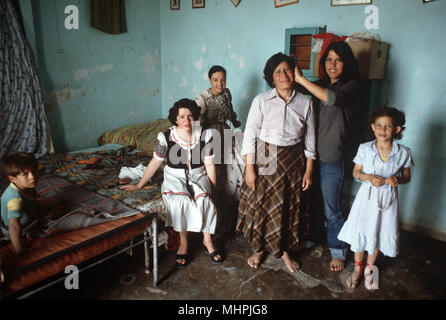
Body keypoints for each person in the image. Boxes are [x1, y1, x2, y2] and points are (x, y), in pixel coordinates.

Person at [236, 53, 316, 273]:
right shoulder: (261, 101)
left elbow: (310, 142)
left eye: (287, 69)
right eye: (278, 71)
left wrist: (309, 171)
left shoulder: (306, 102)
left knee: (289, 207)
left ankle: (286, 251)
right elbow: (250, 137)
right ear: (271, 78)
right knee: (263, 205)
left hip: (293, 160)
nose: (283, 75)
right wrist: (250, 169)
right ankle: (260, 248)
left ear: (295, 73)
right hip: (264, 159)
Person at [120, 98, 224, 267]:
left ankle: (208, 241)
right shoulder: (167, 137)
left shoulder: (206, 135)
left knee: (205, 199)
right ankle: (184, 243)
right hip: (175, 177)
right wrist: (139, 184)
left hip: (199, 175)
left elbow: (210, 164)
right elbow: (155, 162)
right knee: (180, 201)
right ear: (175, 119)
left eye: (190, 116)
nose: (186, 121)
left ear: (196, 117)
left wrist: (215, 188)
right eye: (182, 117)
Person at [294, 41, 361, 272]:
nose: (332, 65)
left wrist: (302, 80)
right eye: (329, 59)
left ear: (346, 63)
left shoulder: (352, 87)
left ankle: (338, 250)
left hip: (333, 157)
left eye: (338, 60)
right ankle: (312, 237)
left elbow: (332, 98)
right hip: (310, 156)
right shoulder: (320, 85)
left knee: (332, 207)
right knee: (311, 202)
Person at [337, 107, 413, 290]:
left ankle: (370, 270)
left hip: (388, 200)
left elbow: (407, 177)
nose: (382, 129)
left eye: (388, 126)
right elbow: (356, 172)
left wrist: (398, 180)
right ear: (372, 127)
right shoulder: (365, 148)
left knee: (378, 232)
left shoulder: (403, 152)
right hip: (367, 198)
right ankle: (357, 269)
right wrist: (369, 177)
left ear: (397, 130)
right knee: (362, 231)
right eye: (378, 125)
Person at [194, 65, 243, 235]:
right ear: (209, 80)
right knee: (215, 177)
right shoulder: (202, 99)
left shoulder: (227, 93)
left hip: (226, 133)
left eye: (223, 79)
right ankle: (216, 221)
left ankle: (230, 219)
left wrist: (236, 122)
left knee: (231, 174)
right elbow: (195, 126)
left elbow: (230, 111)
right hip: (210, 137)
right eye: (216, 80)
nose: (220, 83)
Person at [1, 152, 61, 255]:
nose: (32, 177)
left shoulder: (24, 186)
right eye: (25, 174)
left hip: (30, 207)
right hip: (23, 225)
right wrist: (19, 250)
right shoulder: (14, 199)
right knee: (59, 210)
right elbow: (14, 225)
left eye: (33, 171)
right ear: (12, 178)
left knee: (57, 202)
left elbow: (33, 198)